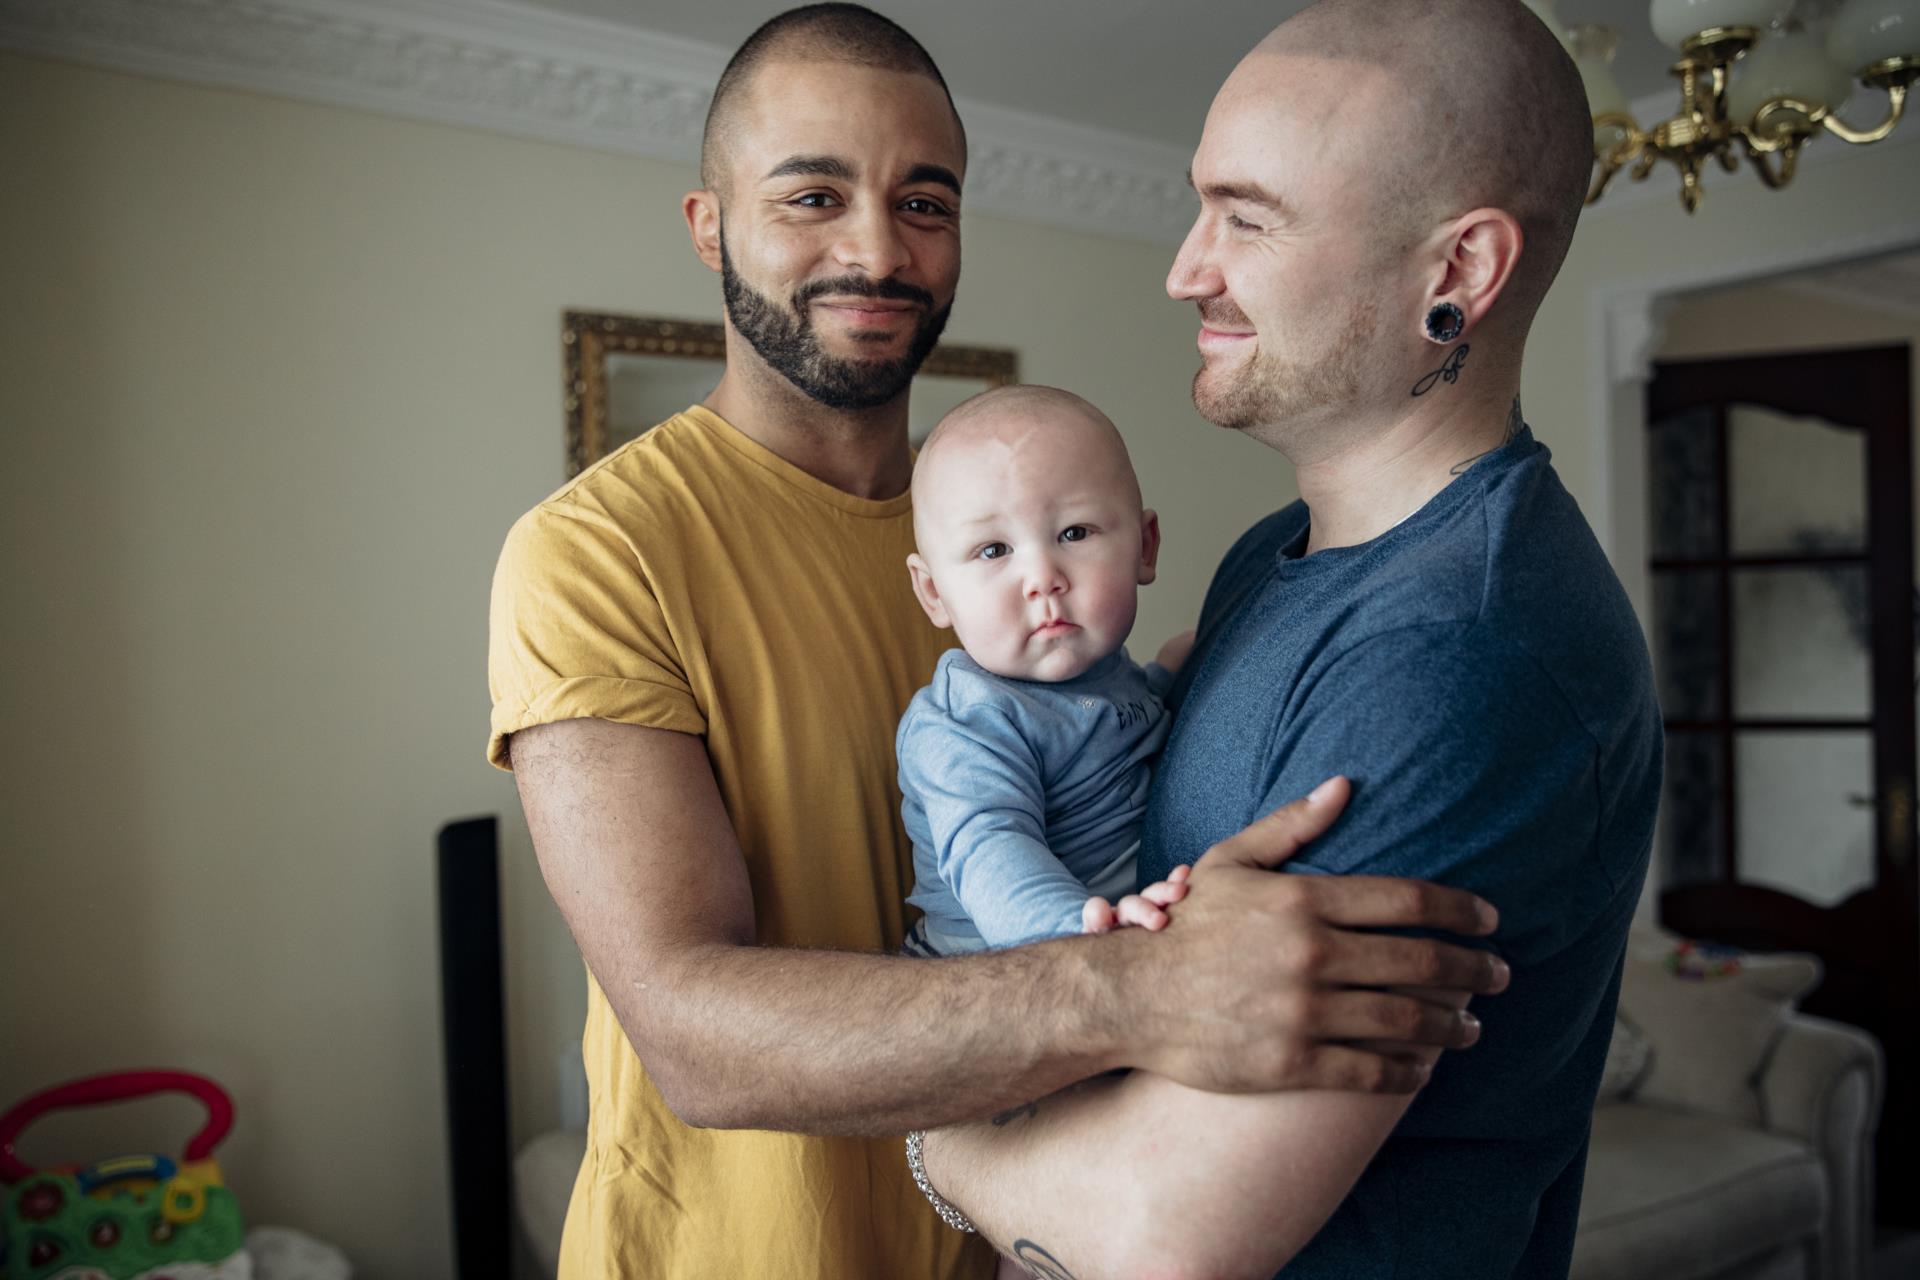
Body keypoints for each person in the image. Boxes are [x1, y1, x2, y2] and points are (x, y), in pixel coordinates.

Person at [487, 6, 1509, 1279]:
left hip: (1027, 1236)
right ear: (710, 226)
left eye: (925, 201)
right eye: (813, 195)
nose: (876, 246)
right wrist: (1143, 987)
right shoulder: (595, 552)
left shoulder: (1011, 530)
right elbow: (691, 1029)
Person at [916, 2, 1664, 1278]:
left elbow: (1161, 1236)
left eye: (1247, 218)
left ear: (1459, 273)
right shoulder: (1275, 554)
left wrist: (927, 1124)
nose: (1186, 268)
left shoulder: (1455, 656)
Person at [898, 385, 1194, 956]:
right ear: (934, 592)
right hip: (995, 965)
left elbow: (1110, 727)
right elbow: (990, 849)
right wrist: (1077, 937)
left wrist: (1171, 678)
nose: (1042, 576)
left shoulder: (1107, 673)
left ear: (1144, 547)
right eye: (993, 550)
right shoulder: (965, 724)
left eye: (1074, 533)